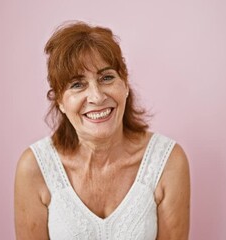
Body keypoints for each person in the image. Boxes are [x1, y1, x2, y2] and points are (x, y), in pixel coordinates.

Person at [14, 21, 190, 240]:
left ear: (125, 84)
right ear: (59, 100)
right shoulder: (34, 168)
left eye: (106, 78)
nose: (96, 97)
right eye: (77, 84)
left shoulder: (168, 161)